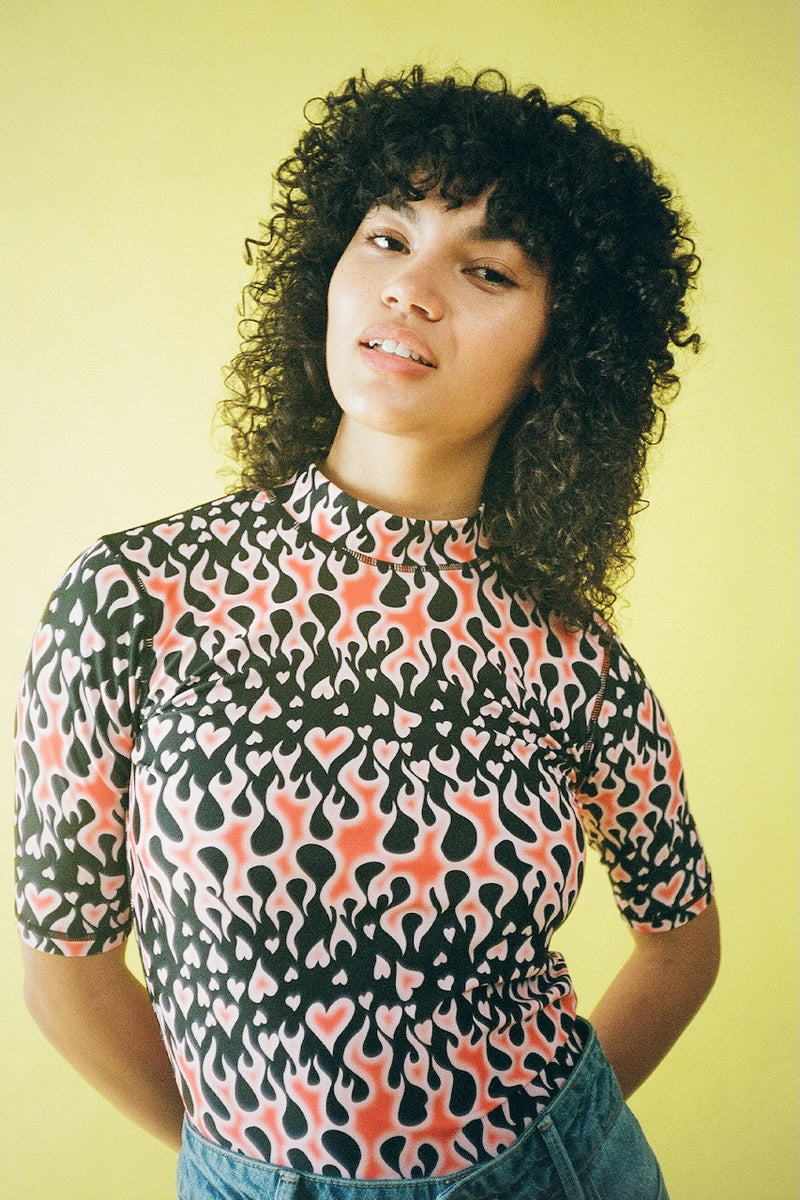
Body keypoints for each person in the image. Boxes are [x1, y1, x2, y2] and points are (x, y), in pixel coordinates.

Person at [15, 67, 720, 1200]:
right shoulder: (136, 596)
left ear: (556, 355)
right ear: (329, 273)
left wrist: (552, 1139)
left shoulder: (573, 661)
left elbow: (681, 940)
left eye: (485, 269)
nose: (411, 290)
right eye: (387, 236)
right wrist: (243, 1169)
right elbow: (65, 964)